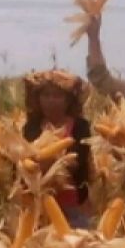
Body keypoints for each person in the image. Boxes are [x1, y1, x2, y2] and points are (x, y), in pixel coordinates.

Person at [22, 70, 92, 226]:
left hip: (73, 205)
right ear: (38, 99)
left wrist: (46, 164)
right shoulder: (31, 127)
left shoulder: (80, 126)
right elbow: (23, 161)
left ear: (68, 100)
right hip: (38, 205)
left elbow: (77, 160)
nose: (51, 101)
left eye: (57, 96)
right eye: (45, 95)